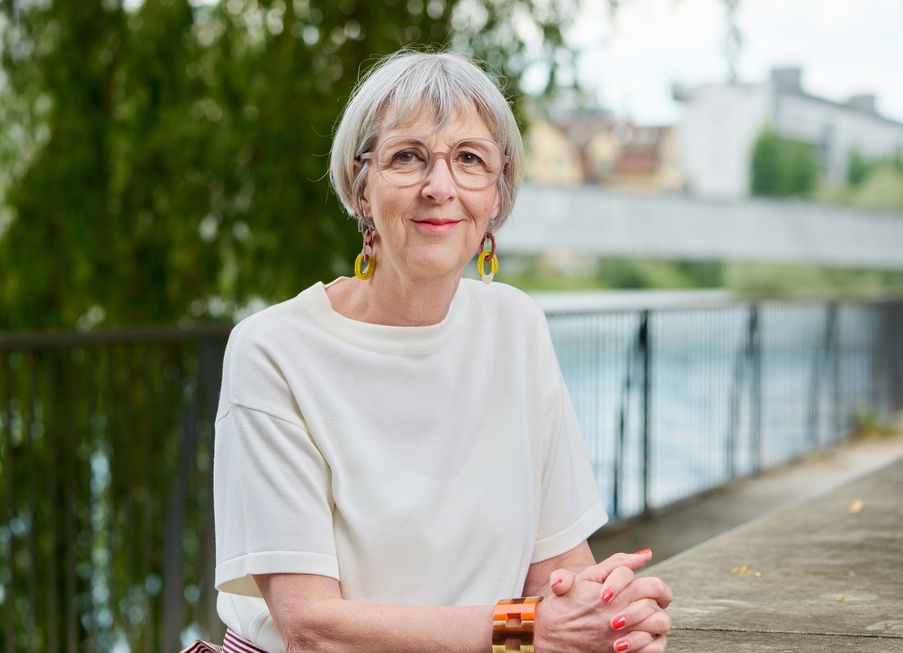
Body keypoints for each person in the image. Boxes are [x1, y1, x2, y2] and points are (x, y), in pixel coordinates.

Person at [186, 49, 673, 653]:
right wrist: (528, 630)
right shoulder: (273, 351)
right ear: (360, 188)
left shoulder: (516, 327)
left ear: (497, 195)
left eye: (470, 159)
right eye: (407, 157)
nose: (439, 187)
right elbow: (311, 628)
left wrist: (606, 613)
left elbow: (557, 580)